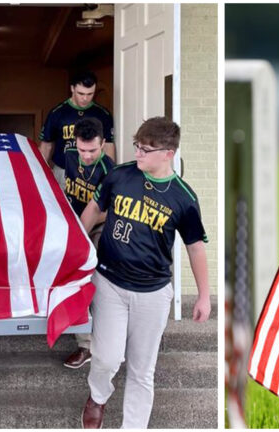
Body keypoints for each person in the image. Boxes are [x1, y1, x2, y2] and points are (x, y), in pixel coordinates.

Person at [79, 117, 211, 428]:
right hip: (109, 281)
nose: (137, 153)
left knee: (142, 369)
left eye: (146, 149)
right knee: (106, 357)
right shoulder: (120, 175)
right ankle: (98, 397)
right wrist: (78, 252)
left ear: (168, 153)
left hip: (152, 293)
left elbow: (195, 247)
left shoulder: (184, 198)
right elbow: (95, 209)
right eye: (137, 145)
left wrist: (204, 295)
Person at [62, 117, 115, 369]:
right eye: (82, 149)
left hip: (98, 227)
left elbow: (107, 210)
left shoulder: (110, 171)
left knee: (87, 278)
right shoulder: (70, 155)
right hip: (73, 224)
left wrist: (83, 233)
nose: (86, 155)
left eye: (92, 150)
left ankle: (89, 345)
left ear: (103, 144)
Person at [38, 69, 115, 188]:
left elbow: (108, 146)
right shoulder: (57, 113)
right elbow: (46, 146)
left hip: (93, 171)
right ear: (72, 88)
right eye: (81, 93)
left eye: (90, 94)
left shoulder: (102, 114)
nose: (85, 98)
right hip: (63, 170)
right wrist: (39, 173)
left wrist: (110, 176)